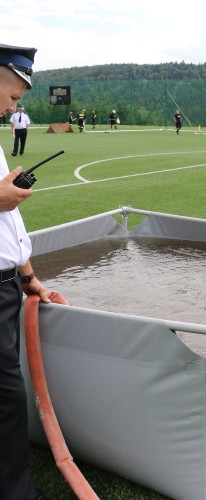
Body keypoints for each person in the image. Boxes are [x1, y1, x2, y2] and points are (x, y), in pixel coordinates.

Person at [0, 42, 50, 500]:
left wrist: (28, 275)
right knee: (7, 399)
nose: (14, 108)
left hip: (6, 285)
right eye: (14, 98)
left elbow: (7, 220)